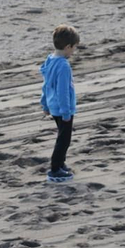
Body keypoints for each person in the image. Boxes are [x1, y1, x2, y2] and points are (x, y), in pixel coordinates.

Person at [40, 25, 80, 184]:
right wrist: (66, 112)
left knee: (63, 137)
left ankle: (60, 164)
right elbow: (62, 90)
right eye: (74, 48)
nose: (74, 52)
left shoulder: (50, 60)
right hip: (62, 109)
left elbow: (46, 85)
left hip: (53, 106)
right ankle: (55, 169)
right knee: (64, 139)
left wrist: (44, 104)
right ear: (67, 46)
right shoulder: (63, 65)